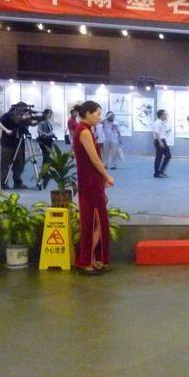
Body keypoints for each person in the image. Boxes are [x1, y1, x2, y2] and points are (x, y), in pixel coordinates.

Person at [72, 100, 114, 276]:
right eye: (97, 113)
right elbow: (95, 159)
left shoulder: (85, 130)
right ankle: (85, 260)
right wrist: (107, 176)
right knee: (93, 221)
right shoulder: (84, 131)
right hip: (90, 181)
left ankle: (93, 258)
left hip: (91, 180)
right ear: (88, 114)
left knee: (98, 221)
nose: (99, 117)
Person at [0, 103, 29, 189]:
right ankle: (3, 182)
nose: (23, 112)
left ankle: (17, 182)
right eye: (23, 110)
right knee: (5, 163)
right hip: (7, 143)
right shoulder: (8, 115)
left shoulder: (24, 117)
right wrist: (6, 130)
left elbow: (29, 124)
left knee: (19, 163)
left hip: (18, 143)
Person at [152, 109, 171, 178]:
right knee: (159, 157)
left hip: (163, 140)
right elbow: (157, 133)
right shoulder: (157, 123)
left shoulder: (162, 123)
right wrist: (160, 142)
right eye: (164, 114)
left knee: (168, 155)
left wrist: (167, 131)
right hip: (159, 141)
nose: (166, 115)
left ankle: (161, 171)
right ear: (161, 116)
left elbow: (161, 132)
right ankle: (156, 173)